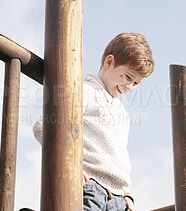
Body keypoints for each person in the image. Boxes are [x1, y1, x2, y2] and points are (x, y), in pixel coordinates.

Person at [33, 32, 154, 211]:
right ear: (109, 62)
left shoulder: (122, 114)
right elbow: (42, 126)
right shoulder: (86, 92)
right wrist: (70, 165)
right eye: (128, 77)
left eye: (136, 83)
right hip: (91, 190)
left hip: (119, 199)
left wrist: (126, 193)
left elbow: (118, 159)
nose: (130, 87)